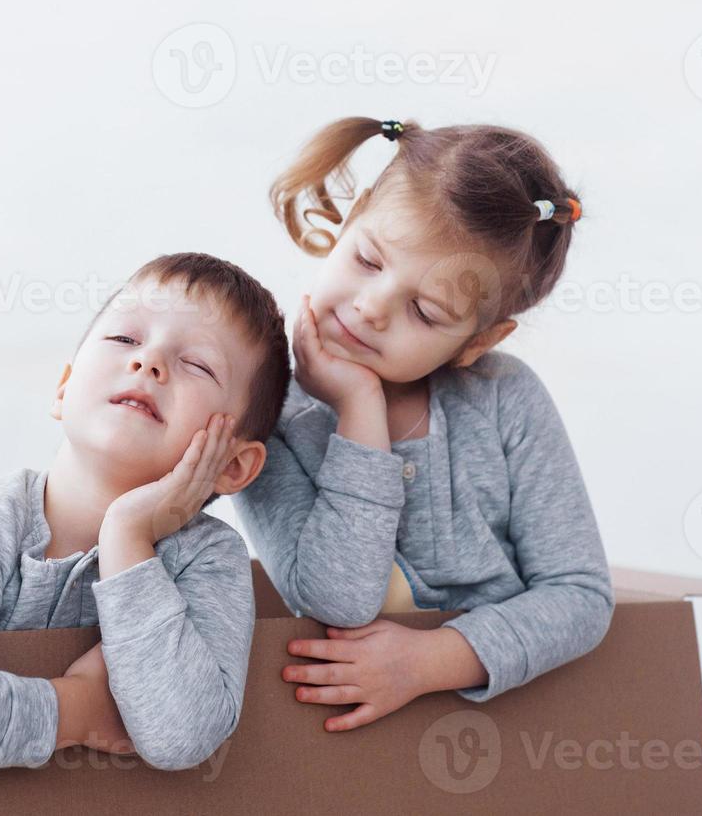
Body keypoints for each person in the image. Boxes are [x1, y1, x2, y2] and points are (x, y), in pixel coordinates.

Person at [234, 117, 614, 733]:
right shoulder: (265, 411)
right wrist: (359, 412)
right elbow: (335, 598)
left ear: (478, 341)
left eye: (425, 311)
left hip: (513, 738)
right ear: (352, 217)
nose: (371, 307)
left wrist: (431, 661)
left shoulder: (504, 399)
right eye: (366, 259)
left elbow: (580, 594)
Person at [0, 252, 290, 771]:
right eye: (125, 339)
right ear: (64, 388)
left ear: (235, 466)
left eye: (196, 364)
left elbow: (184, 736)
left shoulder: (210, 558)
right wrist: (74, 710)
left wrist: (128, 534)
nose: (148, 362)